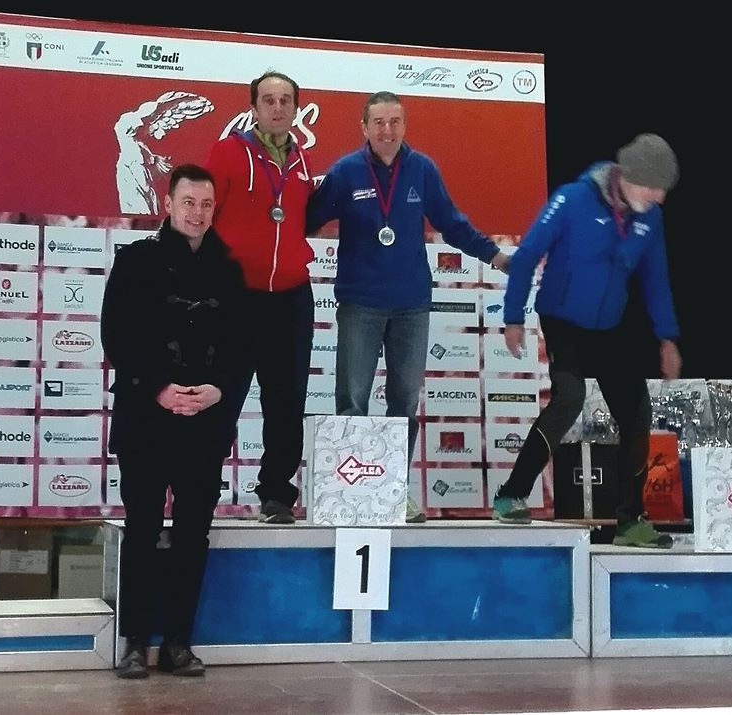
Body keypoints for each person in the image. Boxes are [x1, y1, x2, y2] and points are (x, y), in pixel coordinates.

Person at [306, 91, 507, 524]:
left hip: (412, 306)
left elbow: (452, 224)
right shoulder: (344, 172)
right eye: (378, 122)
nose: (387, 131)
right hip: (360, 303)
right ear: (364, 128)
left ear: (404, 125)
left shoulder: (422, 169)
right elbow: (305, 220)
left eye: (395, 121)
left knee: (404, 404)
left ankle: (394, 490)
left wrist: (494, 256)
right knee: (352, 401)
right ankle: (352, 494)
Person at [493, 133, 682, 548]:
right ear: (632, 177)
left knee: (637, 413)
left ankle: (630, 522)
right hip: (563, 318)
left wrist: (667, 338)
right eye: (655, 187)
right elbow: (526, 257)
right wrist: (513, 318)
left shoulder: (649, 218)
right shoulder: (572, 199)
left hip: (609, 324)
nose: (660, 198)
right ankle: (511, 495)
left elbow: (656, 279)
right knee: (569, 397)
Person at [101, 164, 244, 678]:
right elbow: (116, 336)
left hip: (204, 422)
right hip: (145, 416)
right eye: (188, 202)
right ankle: (135, 643)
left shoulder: (229, 269)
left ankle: (179, 643)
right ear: (167, 204)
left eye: (206, 205)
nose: (197, 213)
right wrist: (159, 387)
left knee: (192, 534)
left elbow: (242, 345)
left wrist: (218, 389)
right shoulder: (134, 260)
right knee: (141, 529)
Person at [205, 70, 315, 524]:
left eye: (285, 100)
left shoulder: (303, 161)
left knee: (286, 402)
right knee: (221, 396)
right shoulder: (228, 153)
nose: (277, 107)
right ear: (253, 108)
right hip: (237, 296)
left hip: (290, 297)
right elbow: (205, 216)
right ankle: (199, 486)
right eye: (268, 99)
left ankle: (276, 495)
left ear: (295, 109)